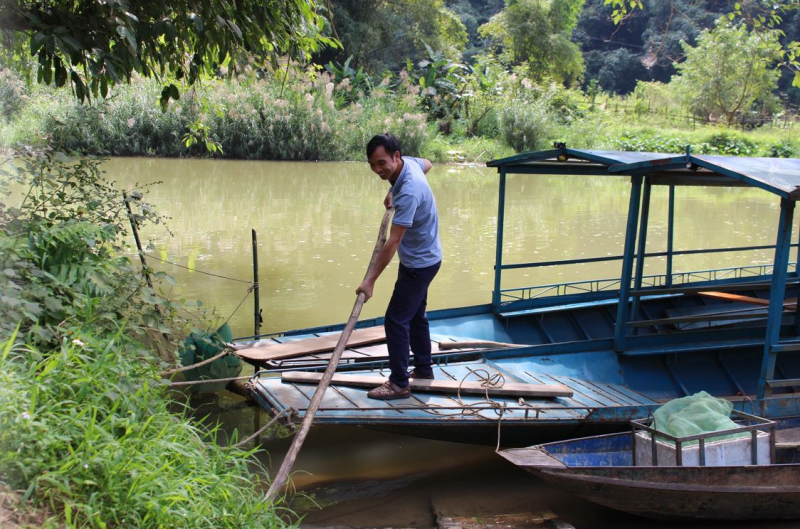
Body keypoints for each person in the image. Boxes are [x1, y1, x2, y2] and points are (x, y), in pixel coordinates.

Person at [356, 133, 442, 400]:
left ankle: (399, 383)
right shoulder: (411, 164)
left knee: (395, 320)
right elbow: (428, 163)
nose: (377, 170)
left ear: (396, 156)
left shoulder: (409, 191)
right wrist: (392, 189)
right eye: (373, 165)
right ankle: (424, 369)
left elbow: (393, 242)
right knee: (415, 316)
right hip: (428, 257)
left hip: (418, 264)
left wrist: (370, 280)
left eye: (382, 163)